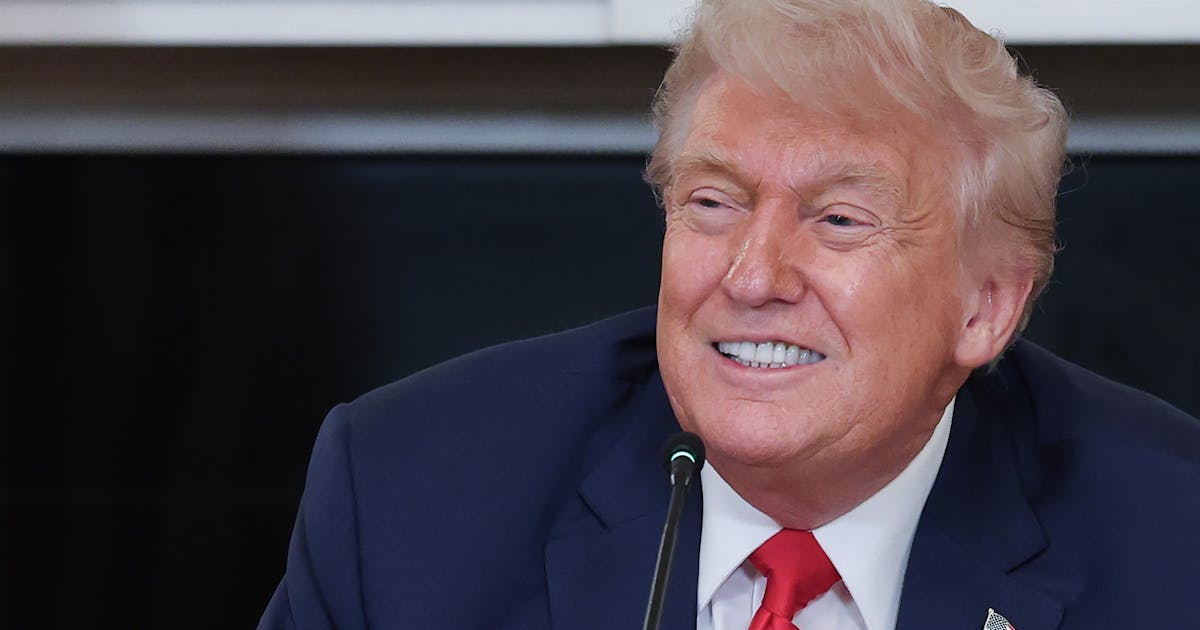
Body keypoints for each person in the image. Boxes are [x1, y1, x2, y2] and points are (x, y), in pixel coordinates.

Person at [259, 0, 1200, 628]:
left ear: (985, 309)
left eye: (839, 220)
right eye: (714, 203)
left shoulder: (1172, 540)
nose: (753, 277)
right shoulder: (409, 494)